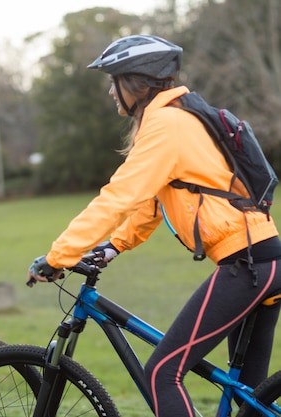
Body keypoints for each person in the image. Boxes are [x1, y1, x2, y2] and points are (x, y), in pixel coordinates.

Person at [26, 35, 281, 417]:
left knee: (163, 372)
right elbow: (151, 203)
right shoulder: (179, 117)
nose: (111, 92)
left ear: (136, 82)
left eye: (114, 82)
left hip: (246, 266)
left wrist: (60, 255)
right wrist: (113, 246)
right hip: (262, 260)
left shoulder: (166, 123)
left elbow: (119, 197)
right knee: (250, 398)